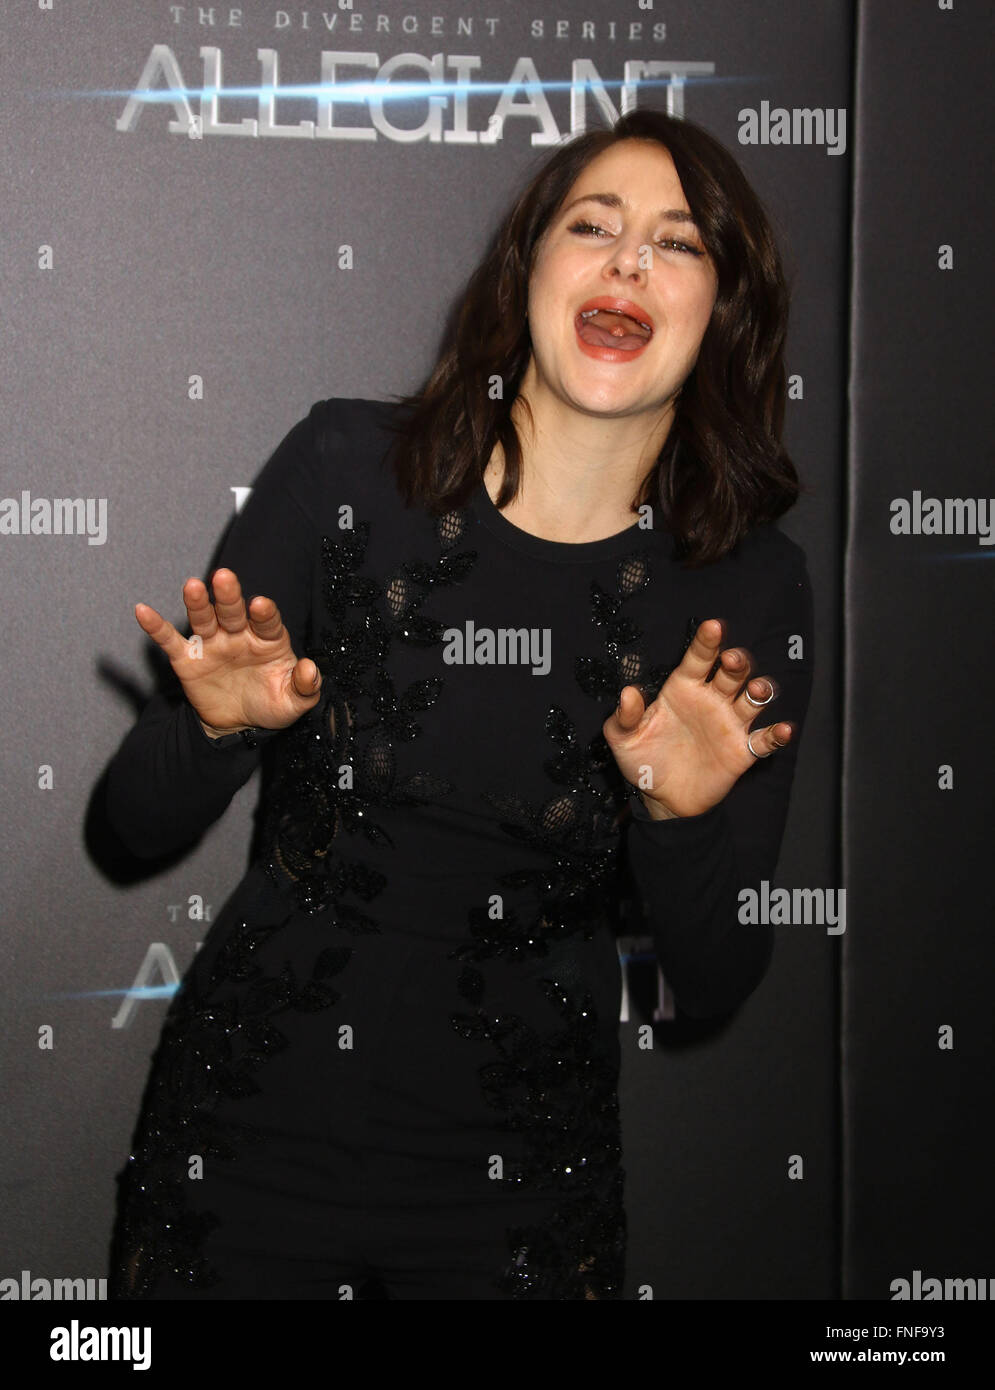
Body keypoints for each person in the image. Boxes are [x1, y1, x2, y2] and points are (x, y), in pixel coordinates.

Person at [105, 108, 813, 1301]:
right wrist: (220, 726)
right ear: (525, 268)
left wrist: (680, 818)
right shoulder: (347, 472)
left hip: (520, 1201)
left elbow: (717, 977)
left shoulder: (744, 582)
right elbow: (125, 830)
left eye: (678, 244)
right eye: (593, 225)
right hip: (244, 1154)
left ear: (721, 312)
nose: (628, 261)